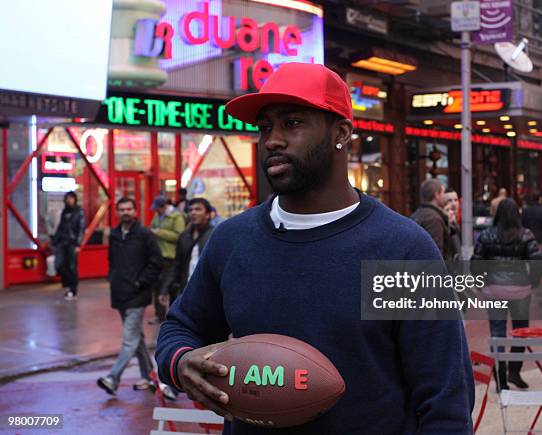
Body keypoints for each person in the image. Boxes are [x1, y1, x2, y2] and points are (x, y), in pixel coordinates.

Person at [156, 62, 474, 434]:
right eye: (265, 128)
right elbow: (180, 327)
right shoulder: (232, 240)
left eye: (291, 123)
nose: (272, 140)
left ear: (341, 132)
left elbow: (445, 400)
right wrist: (180, 363)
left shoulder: (401, 248)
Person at [472, 198, 541, 391]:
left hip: (494, 291)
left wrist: (483, 283)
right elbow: (537, 262)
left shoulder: (486, 235)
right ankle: (515, 371)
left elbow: (476, 263)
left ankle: (500, 378)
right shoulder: (525, 235)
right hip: (520, 291)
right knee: (521, 332)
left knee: (497, 333)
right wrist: (532, 282)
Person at [97, 198, 162, 396]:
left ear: (135, 211)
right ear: (117, 212)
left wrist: (140, 282)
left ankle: (112, 378)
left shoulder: (144, 234)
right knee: (137, 338)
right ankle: (150, 375)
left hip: (137, 295)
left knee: (129, 340)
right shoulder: (115, 234)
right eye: (122, 209)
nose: (126, 212)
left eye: (129, 208)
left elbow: (156, 262)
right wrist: (112, 278)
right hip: (119, 293)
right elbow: (112, 261)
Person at [150, 195, 186, 323]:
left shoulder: (176, 217)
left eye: (157, 209)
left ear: (164, 206)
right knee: (157, 286)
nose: (156, 211)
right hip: (158, 256)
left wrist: (160, 232)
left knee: (170, 287)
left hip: (171, 256)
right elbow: (152, 226)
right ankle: (158, 315)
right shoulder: (157, 216)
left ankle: (173, 316)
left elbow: (180, 235)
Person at [172, 197, 214, 300]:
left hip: (208, 293)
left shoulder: (215, 235)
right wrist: (165, 289)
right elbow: (177, 264)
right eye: (190, 210)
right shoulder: (184, 236)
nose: (193, 213)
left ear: (208, 214)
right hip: (185, 291)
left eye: (198, 209)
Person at [52, 191, 86, 300]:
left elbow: (81, 229)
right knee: (59, 265)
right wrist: (55, 241)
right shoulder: (64, 212)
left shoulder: (79, 212)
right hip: (62, 242)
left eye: (71, 198)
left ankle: (72, 289)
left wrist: (78, 244)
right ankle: (67, 284)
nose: (69, 200)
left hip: (72, 243)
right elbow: (60, 227)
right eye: (67, 198)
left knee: (72, 266)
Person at [410, 178, 452, 260]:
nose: (445, 196)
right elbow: (436, 252)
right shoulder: (434, 219)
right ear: (436, 195)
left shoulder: (416, 214)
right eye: (443, 193)